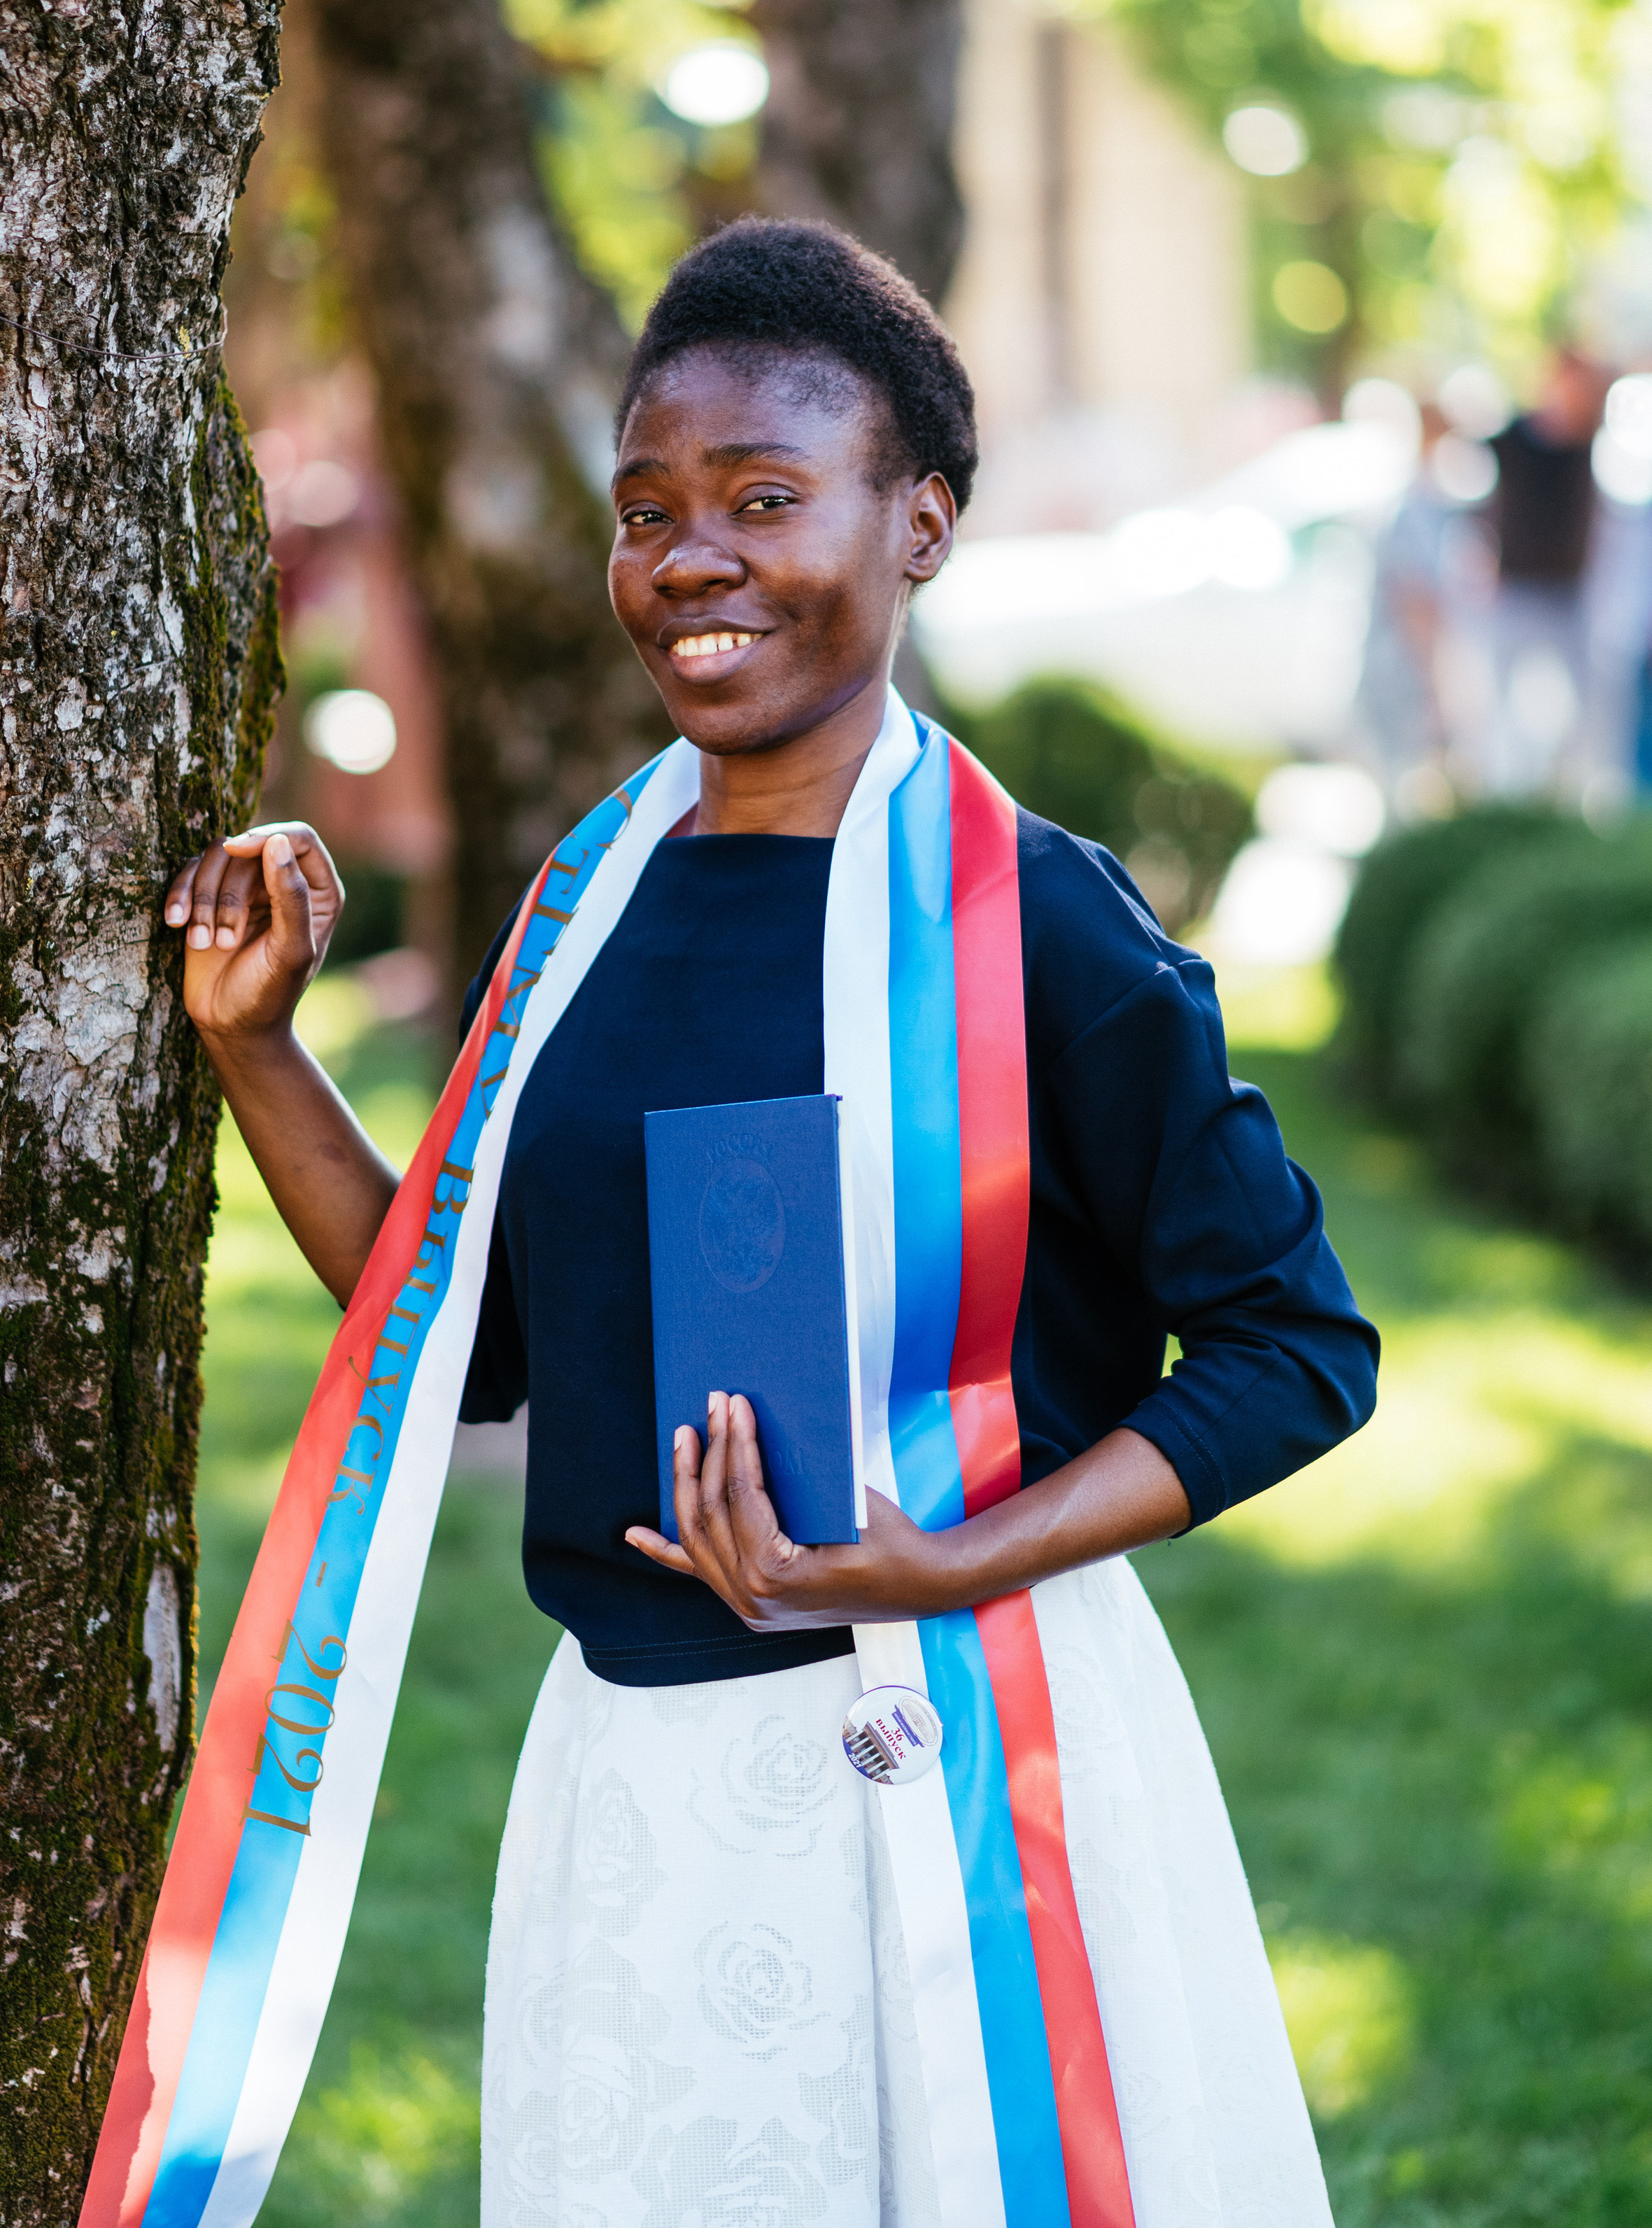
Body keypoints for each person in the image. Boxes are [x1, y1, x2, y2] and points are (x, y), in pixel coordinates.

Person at [100, 220, 1378, 2228]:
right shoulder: (590, 910)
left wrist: (953, 1558)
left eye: (765, 499)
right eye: (648, 510)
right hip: (636, 1777)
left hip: (968, 1764)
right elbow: (476, 1337)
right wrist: (257, 1051)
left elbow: (1298, 1349)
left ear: (921, 525)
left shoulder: (1037, 925)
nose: (690, 558)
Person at [1481, 348, 1611, 795]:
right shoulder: (1513, 438)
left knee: (1583, 715)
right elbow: (1483, 508)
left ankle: (1572, 794)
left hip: (1569, 595)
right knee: (1505, 712)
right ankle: (1509, 795)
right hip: (1517, 591)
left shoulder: (1590, 442)